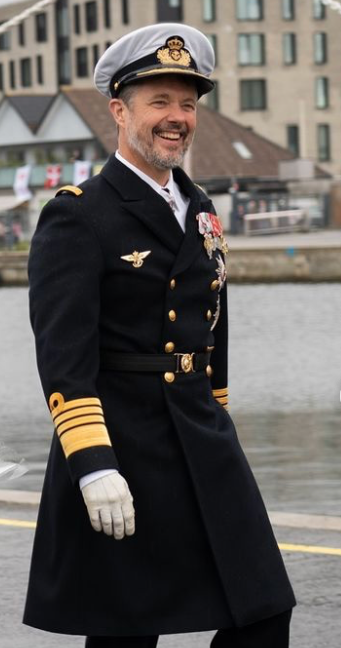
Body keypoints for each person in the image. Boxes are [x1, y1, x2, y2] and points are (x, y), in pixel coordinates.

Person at [24, 24, 294, 647]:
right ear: (119, 111)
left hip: (201, 437)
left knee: (262, 609)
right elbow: (62, 355)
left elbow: (213, 329)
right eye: (160, 103)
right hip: (124, 441)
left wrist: (219, 424)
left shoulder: (199, 205)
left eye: (188, 104)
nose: (177, 118)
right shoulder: (78, 213)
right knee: (127, 633)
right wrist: (92, 466)